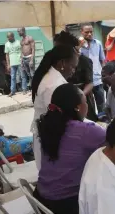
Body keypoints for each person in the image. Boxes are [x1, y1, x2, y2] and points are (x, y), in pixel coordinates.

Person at [33, 83, 105, 214]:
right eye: (85, 101)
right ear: (78, 107)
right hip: (66, 204)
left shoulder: (48, 126)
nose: (87, 105)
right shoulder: (86, 131)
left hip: (41, 198)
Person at [31, 45, 79, 170]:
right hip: (49, 140)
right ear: (62, 63)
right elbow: (58, 118)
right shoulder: (53, 85)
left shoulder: (53, 78)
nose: (74, 71)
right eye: (73, 66)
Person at [54, 30, 98, 122]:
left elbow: (90, 83)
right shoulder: (58, 63)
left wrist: (80, 95)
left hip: (82, 98)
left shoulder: (85, 61)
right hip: (66, 99)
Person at [80, 23, 106, 113]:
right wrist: (79, 46)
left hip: (98, 80)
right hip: (85, 82)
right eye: (87, 32)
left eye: (91, 32)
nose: (89, 34)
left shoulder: (98, 44)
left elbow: (102, 60)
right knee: (88, 107)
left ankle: (102, 123)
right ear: (82, 32)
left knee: (101, 105)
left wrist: (104, 74)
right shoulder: (78, 46)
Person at [5, 32, 27, 96]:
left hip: (20, 62)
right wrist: (8, 64)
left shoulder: (18, 42)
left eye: (9, 37)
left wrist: (22, 59)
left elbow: (22, 51)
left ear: (13, 36)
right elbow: (7, 55)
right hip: (12, 64)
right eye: (7, 37)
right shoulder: (7, 44)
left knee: (23, 76)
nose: (8, 38)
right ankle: (12, 91)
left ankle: (24, 89)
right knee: (12, 77)